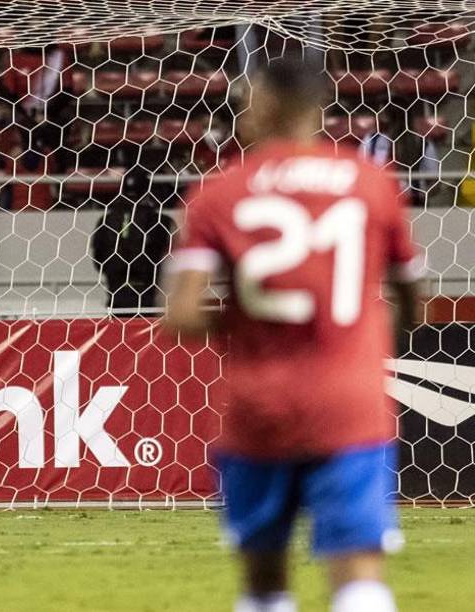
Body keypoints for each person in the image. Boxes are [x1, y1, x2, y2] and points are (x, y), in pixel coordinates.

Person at [164, 58, 421, 612]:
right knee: (360, 581)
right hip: (349, 405)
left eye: (248, 99)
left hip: (257, 406)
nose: (241, 110)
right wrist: (356, 331)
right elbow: (410, 299)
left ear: (271, 105)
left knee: (263, 585)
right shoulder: (371, 182)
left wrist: (253, 321)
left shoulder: (218, 193)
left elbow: (181, 316)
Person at [90, 169, 176, 315]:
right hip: (150, 298)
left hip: (116, 296)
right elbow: (175, 258)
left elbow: (98, 260)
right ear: (148, 189)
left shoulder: (105, 220)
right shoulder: (163, 221)